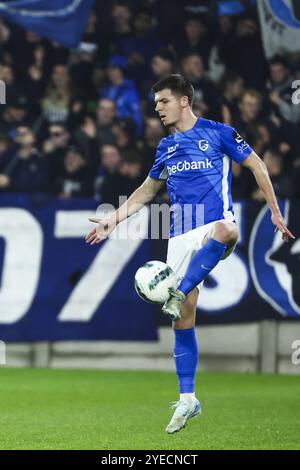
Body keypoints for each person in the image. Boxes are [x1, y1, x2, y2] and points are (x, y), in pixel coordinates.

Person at [85, 74, 295, 434]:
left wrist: (275, 211)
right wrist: (113, 220)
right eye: (155, 104)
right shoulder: (165, 148)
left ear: (184, 101)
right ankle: (187, 400)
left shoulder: (219, 133)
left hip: (214, 222)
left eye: (163, 102)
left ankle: (178, 290)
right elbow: (147, 191)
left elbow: (257, 164)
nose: (158, 109)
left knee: (228, 231)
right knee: (183, 319)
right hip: (180, 235)